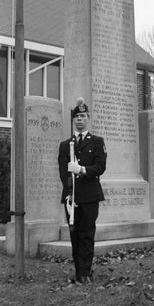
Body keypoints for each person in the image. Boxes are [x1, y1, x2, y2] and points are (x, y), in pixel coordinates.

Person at [58, 97, 107, 285]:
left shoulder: (96, 142)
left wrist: (82, 170)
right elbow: (62, 172)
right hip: (71, 195)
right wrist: (69, 189)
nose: (80, 119)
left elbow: (100, 167)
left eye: (83, 116)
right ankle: (78, 273)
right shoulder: (65, 145)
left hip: (89, 195)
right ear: (73, 120)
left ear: (88, 119)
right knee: (74, 235)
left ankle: (86, 273)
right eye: (77, 116)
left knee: (86, 234)